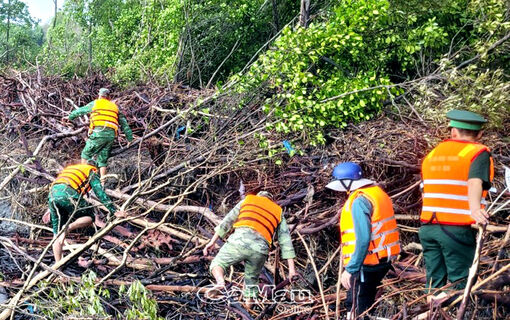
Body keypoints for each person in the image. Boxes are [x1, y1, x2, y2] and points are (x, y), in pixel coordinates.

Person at [419, 109, 494, 297]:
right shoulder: (478, 152)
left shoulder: (433, 154)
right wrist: (475, 209)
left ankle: (431, 313)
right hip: (455, 228)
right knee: (460, 283)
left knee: (434, 283)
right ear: (479, 134)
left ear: (453, 132)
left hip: (428, 226)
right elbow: (475, 181)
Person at [326, 162, 400, 319]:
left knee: (357, 306)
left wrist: (351, 269)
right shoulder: (376, 193)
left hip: (367, 264)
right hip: (382, 260)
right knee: (365, 302)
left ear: (347, 182)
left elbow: (363, 238)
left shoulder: (359, 201)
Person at [202, 190, 297, 308]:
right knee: (251, 285)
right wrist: (291, 270)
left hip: (238, 242)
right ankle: (248, 309)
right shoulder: (277, 211)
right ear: (271, 200)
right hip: (260, 251)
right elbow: (285, 241)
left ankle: (221, 283)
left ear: (259, 196)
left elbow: (227, 221)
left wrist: (211, 242)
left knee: (218, 264)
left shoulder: (248, 200)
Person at [43, 161, 125, 262]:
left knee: (57, 234)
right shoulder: (91, 171)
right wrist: (114, 210)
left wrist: (49, 209)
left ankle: (58, 266)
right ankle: (68, 227)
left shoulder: (71, 170)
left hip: (52, 196)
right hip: (68, 193)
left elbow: (57, 190)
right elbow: (100, 192)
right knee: (90, 217)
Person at [66, 88, 133, 179]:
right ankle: (102, 182)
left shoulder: (95, 103)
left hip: (99, 133)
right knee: (103, 159)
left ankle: (83, 178)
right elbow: (124, 123)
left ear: (99, 95)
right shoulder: (115, 107)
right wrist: (129, 138)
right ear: (109, 97)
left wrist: (70, 117)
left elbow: (80, 111)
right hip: (110, 136)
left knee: (85, 154)